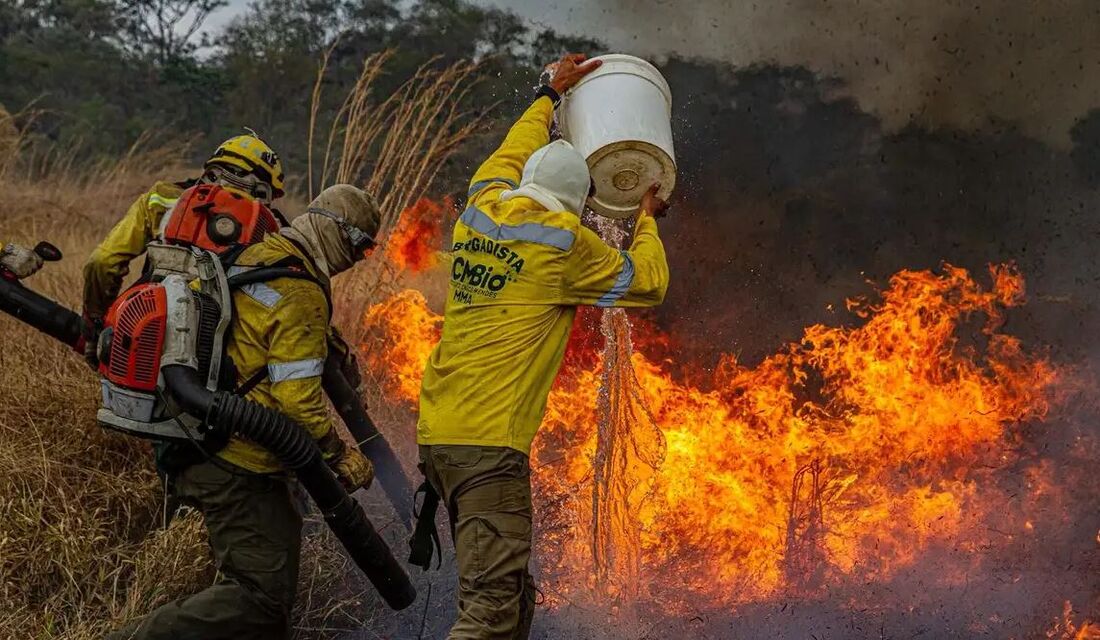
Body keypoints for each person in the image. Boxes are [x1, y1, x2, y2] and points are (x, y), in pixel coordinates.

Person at [415, 53, 671, 639]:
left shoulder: (479, 210)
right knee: (488, 616)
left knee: (513, 598)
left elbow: (509, 153)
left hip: (439, 438)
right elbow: (647, 281)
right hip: (487, 450)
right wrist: (647, 218)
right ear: (580, 205)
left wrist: (547, 95)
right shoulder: (563, 243)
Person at [108, 185, 381, 640]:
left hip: (196, 438)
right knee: (261, 600)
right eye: (361, 245)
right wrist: (339, 455)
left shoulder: (261, 254)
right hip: (242, 461)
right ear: (338, 232)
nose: (360, 257)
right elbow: (297, 401)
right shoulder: (300, 291)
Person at [82, 132, 285, 365]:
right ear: (264, 190)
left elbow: (102, 262)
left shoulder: (162, 196)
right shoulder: (273, 230)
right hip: (226, 347)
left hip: (145, 318)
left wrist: (94, 329)